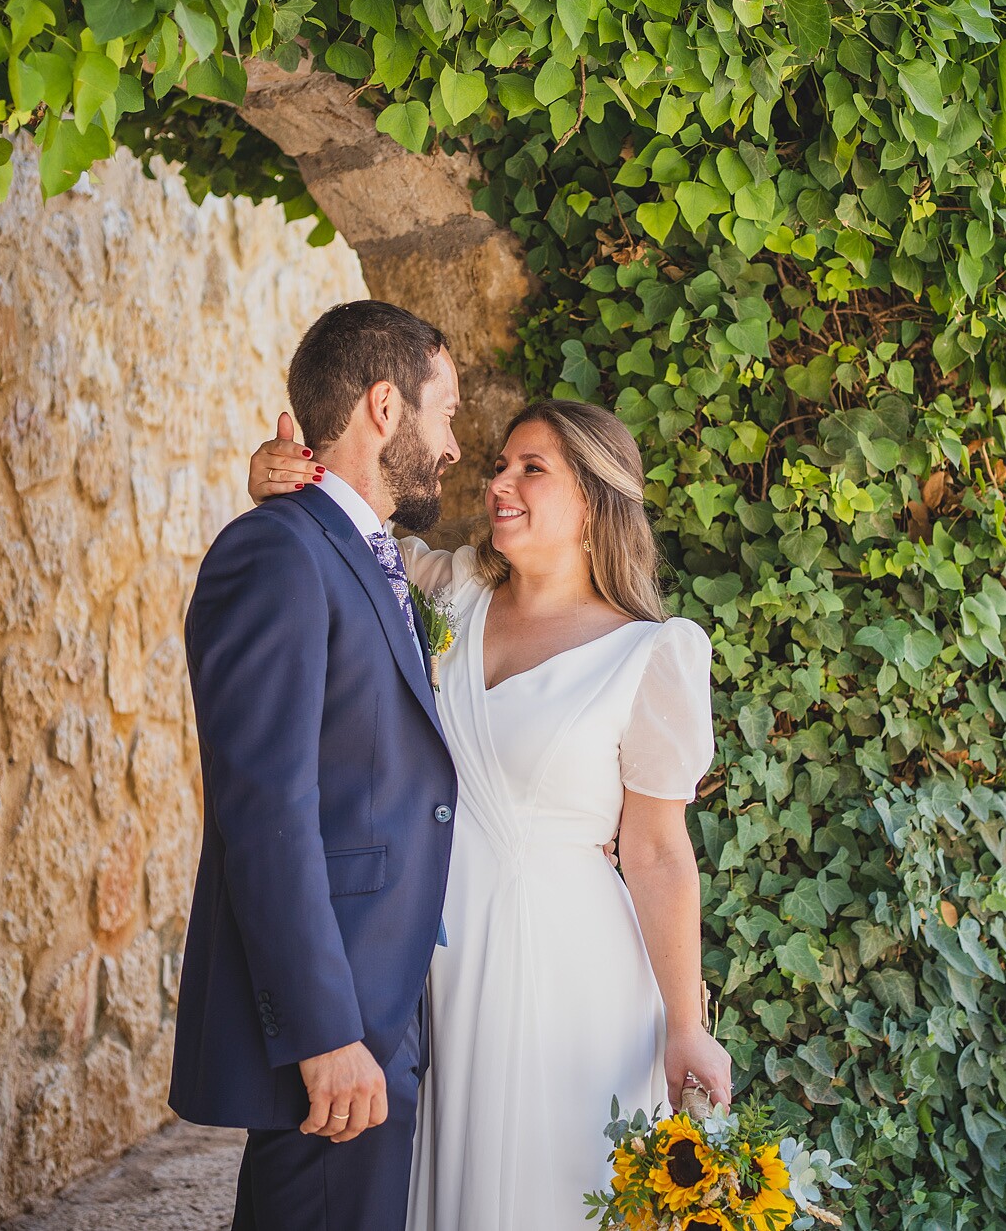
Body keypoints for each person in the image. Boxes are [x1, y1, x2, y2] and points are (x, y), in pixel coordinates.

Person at [247, 394, 733, 1231]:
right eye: (500, 464)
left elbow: (655, 853)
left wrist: (685, 1024)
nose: (500, 481)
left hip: (570, 971)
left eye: (531, 468)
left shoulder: (653, 654)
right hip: (434, 960)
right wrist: (287, 482)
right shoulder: (457, 592)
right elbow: (348, 543)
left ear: (593, 501)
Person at [171, 300, 463, 1231]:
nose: (454, 445)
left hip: (383, 999)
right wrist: (325, 1029)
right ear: (386, 405)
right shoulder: (276, 551)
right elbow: (266, 813)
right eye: (444, 412)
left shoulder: (366, 554)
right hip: (338, 1021)